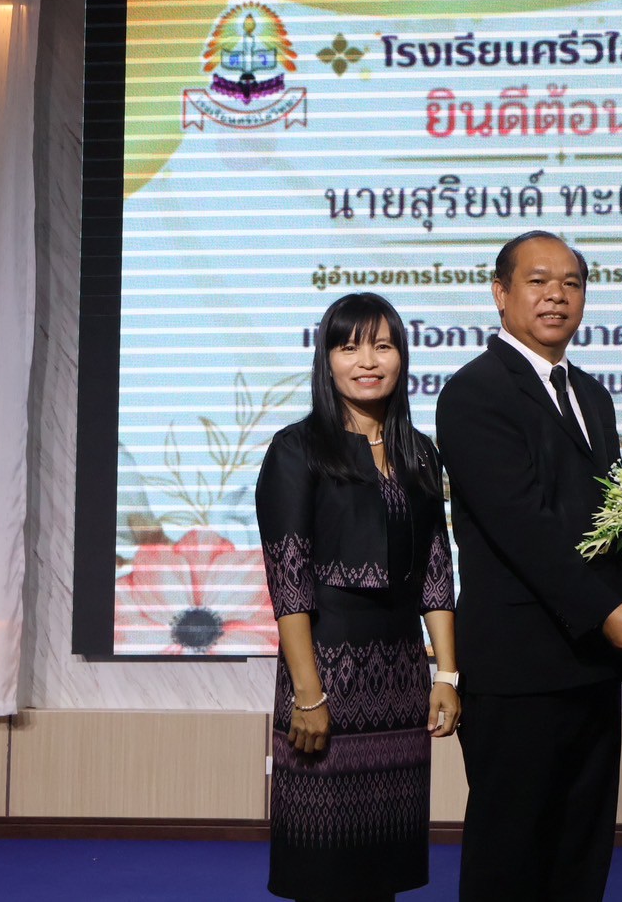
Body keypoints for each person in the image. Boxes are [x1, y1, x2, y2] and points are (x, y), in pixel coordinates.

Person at [435, 230, 622, 902]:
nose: (556, 296)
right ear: (500, 293)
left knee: (580, 852)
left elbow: (613, 516)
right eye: (537, 281)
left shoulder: (592, 394)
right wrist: (604, 609)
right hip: (519, 666)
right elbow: (522, 526)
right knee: (511, 855)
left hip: (592, 661)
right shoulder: (474, 393)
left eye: (571, 283)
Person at [255, 292, 459, 902]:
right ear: (327, 360)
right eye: (349, 348)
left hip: (400, 681)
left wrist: (446, 675)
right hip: (326, 673)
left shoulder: (419, 450)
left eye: (382, 346)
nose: (367, 361)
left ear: (402, 357)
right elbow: (289, 583)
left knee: (381, 871)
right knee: (324, 870)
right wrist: (308, 695)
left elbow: (436, 567)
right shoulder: (296, 449)